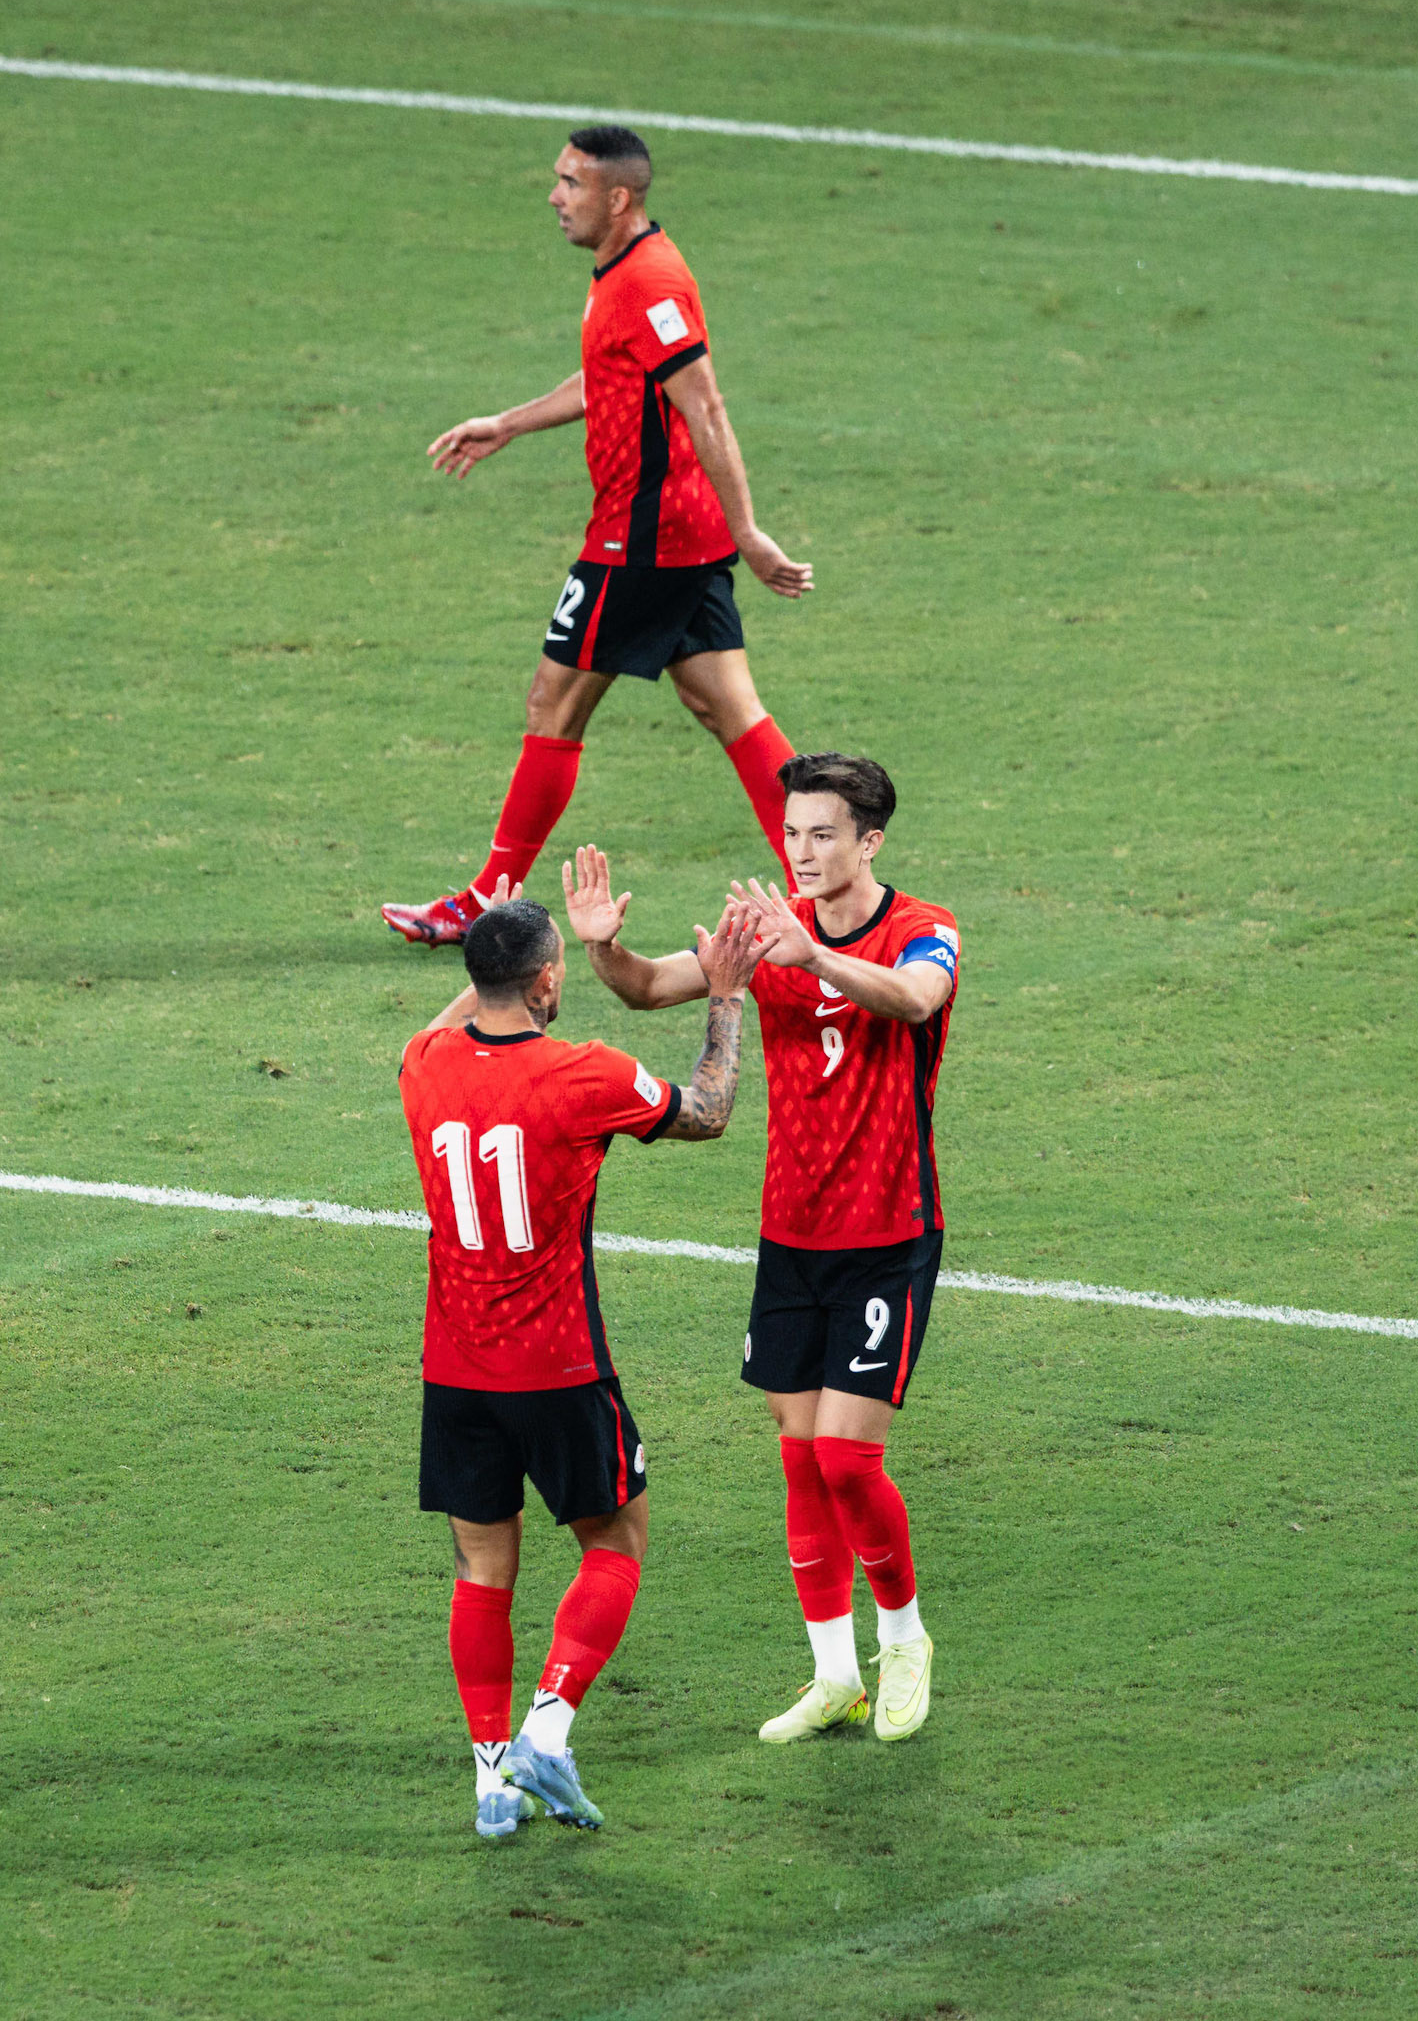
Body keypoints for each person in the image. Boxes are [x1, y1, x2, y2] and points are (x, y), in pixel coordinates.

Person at [561, 753, 959, 1745]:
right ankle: (834, 1672)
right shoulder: (766, 926)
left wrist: (811, 955)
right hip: (793, 1233)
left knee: (847, 1454)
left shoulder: (925, 928)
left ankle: (904, 1639)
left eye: (824, 833)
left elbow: (912, 1000)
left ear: (870, 841)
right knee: (798, 1457)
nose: (804, 850)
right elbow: (652, 986)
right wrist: (606, 951)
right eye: (792, 833)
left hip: (888, 1229)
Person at [382, 124, 811, 948]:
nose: (555, 196)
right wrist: (507, 423)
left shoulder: (651, 282)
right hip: (673, 531)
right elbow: (608, 375)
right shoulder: (622, 275)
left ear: (618, 198)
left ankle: (485, 901)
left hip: (640, 537)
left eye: (570, 183)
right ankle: (823, 890)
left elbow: (706, 405)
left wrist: (750, 532)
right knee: (727, 707)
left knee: (554, 702)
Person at [399, 882, 766, 1837]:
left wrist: (500, 947)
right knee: (617, 1541)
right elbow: (711, 1109)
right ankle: (548, 1733)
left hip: (455, 1371)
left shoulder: (423, 1065)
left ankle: (490, 1782)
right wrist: (726, 995)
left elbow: (450, 1024)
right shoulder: (586, 1073)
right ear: (551, 978)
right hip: (559, 1369)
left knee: (482, 1570)